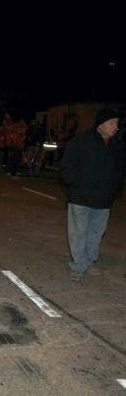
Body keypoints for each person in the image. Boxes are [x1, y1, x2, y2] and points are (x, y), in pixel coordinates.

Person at [61, 108, 124, 282]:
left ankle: (89, 261)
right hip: (81, 196)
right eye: (112, 123)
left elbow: (119, 170)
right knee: (78, 231)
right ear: (101, 124)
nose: (115, 127)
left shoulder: (116, 144)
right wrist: (74, 184)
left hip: (103, 199)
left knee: (96, 232)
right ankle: (78, 264)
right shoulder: (82, 140)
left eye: (117, 123)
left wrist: (116, 188)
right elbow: (67, 165)